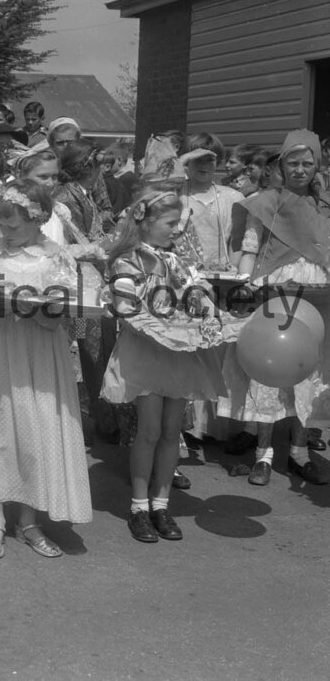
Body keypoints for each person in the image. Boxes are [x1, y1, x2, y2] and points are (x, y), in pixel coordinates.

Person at [0, 180, 92, 559]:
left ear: (38, 220)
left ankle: (28, 519)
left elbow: (62, 314)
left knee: (34, 430)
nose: (3, 232)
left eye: (12, 226)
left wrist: (45, 308)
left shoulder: (54, 258)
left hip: (38, 354)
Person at [101, 188, 228, 543]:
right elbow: (124, 304)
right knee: (150, 430)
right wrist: (148, 309)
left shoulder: (176, 261)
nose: (177, 230)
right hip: (147, 351)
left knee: (173, 431)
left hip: (179, 352)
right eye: (171, 223)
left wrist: (204, 303)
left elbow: (197, 290)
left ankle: (162, 503)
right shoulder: (129, 260)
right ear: (147, 221)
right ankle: (139, 506)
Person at [219, 129, 330, 486]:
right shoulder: (266, 202)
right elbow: (250, 249)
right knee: (267, 373)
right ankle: (263, 454)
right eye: (293, 163)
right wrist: (245, 285)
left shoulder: (325, 205)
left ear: (317, 166)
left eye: (307, 163)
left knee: (308, 374)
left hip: (318, 298)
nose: (300, 170)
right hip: (273, 293)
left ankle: (299, 452)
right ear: (281, 164)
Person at [180, 133, 243, 271]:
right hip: (183, 273)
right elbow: (150, 189)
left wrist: (233, 267)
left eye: (209, 160)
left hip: (220, 274)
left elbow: (236, 241)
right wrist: (181, 160)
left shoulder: (233, 198)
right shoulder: (175, 193)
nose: (203, 165)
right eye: (197, 159)